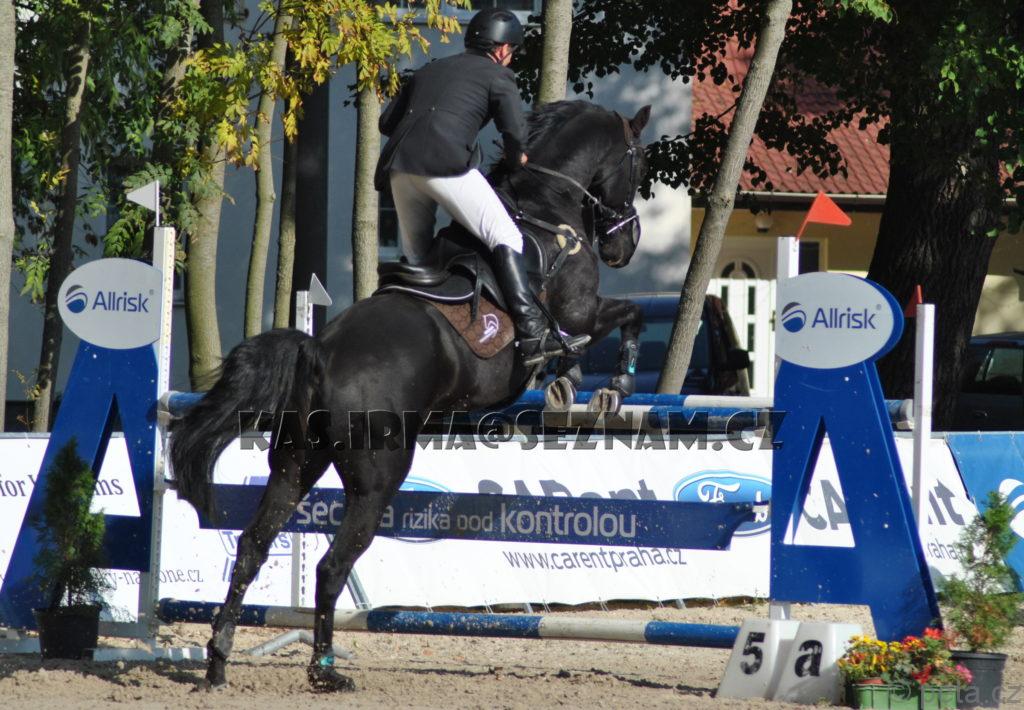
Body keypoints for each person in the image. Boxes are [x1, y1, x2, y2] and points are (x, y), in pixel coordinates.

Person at [375, 8, 587, 367]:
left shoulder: (430, 69)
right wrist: (517, 156)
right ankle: (532, 332)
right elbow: (514, 132)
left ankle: (405, 333)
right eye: (512, 51)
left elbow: (385, 123)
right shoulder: (498, 76)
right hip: (445, 167)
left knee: (419, 261)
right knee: (506, 235)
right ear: (502, 49)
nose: (511, 57)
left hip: (400, 169)